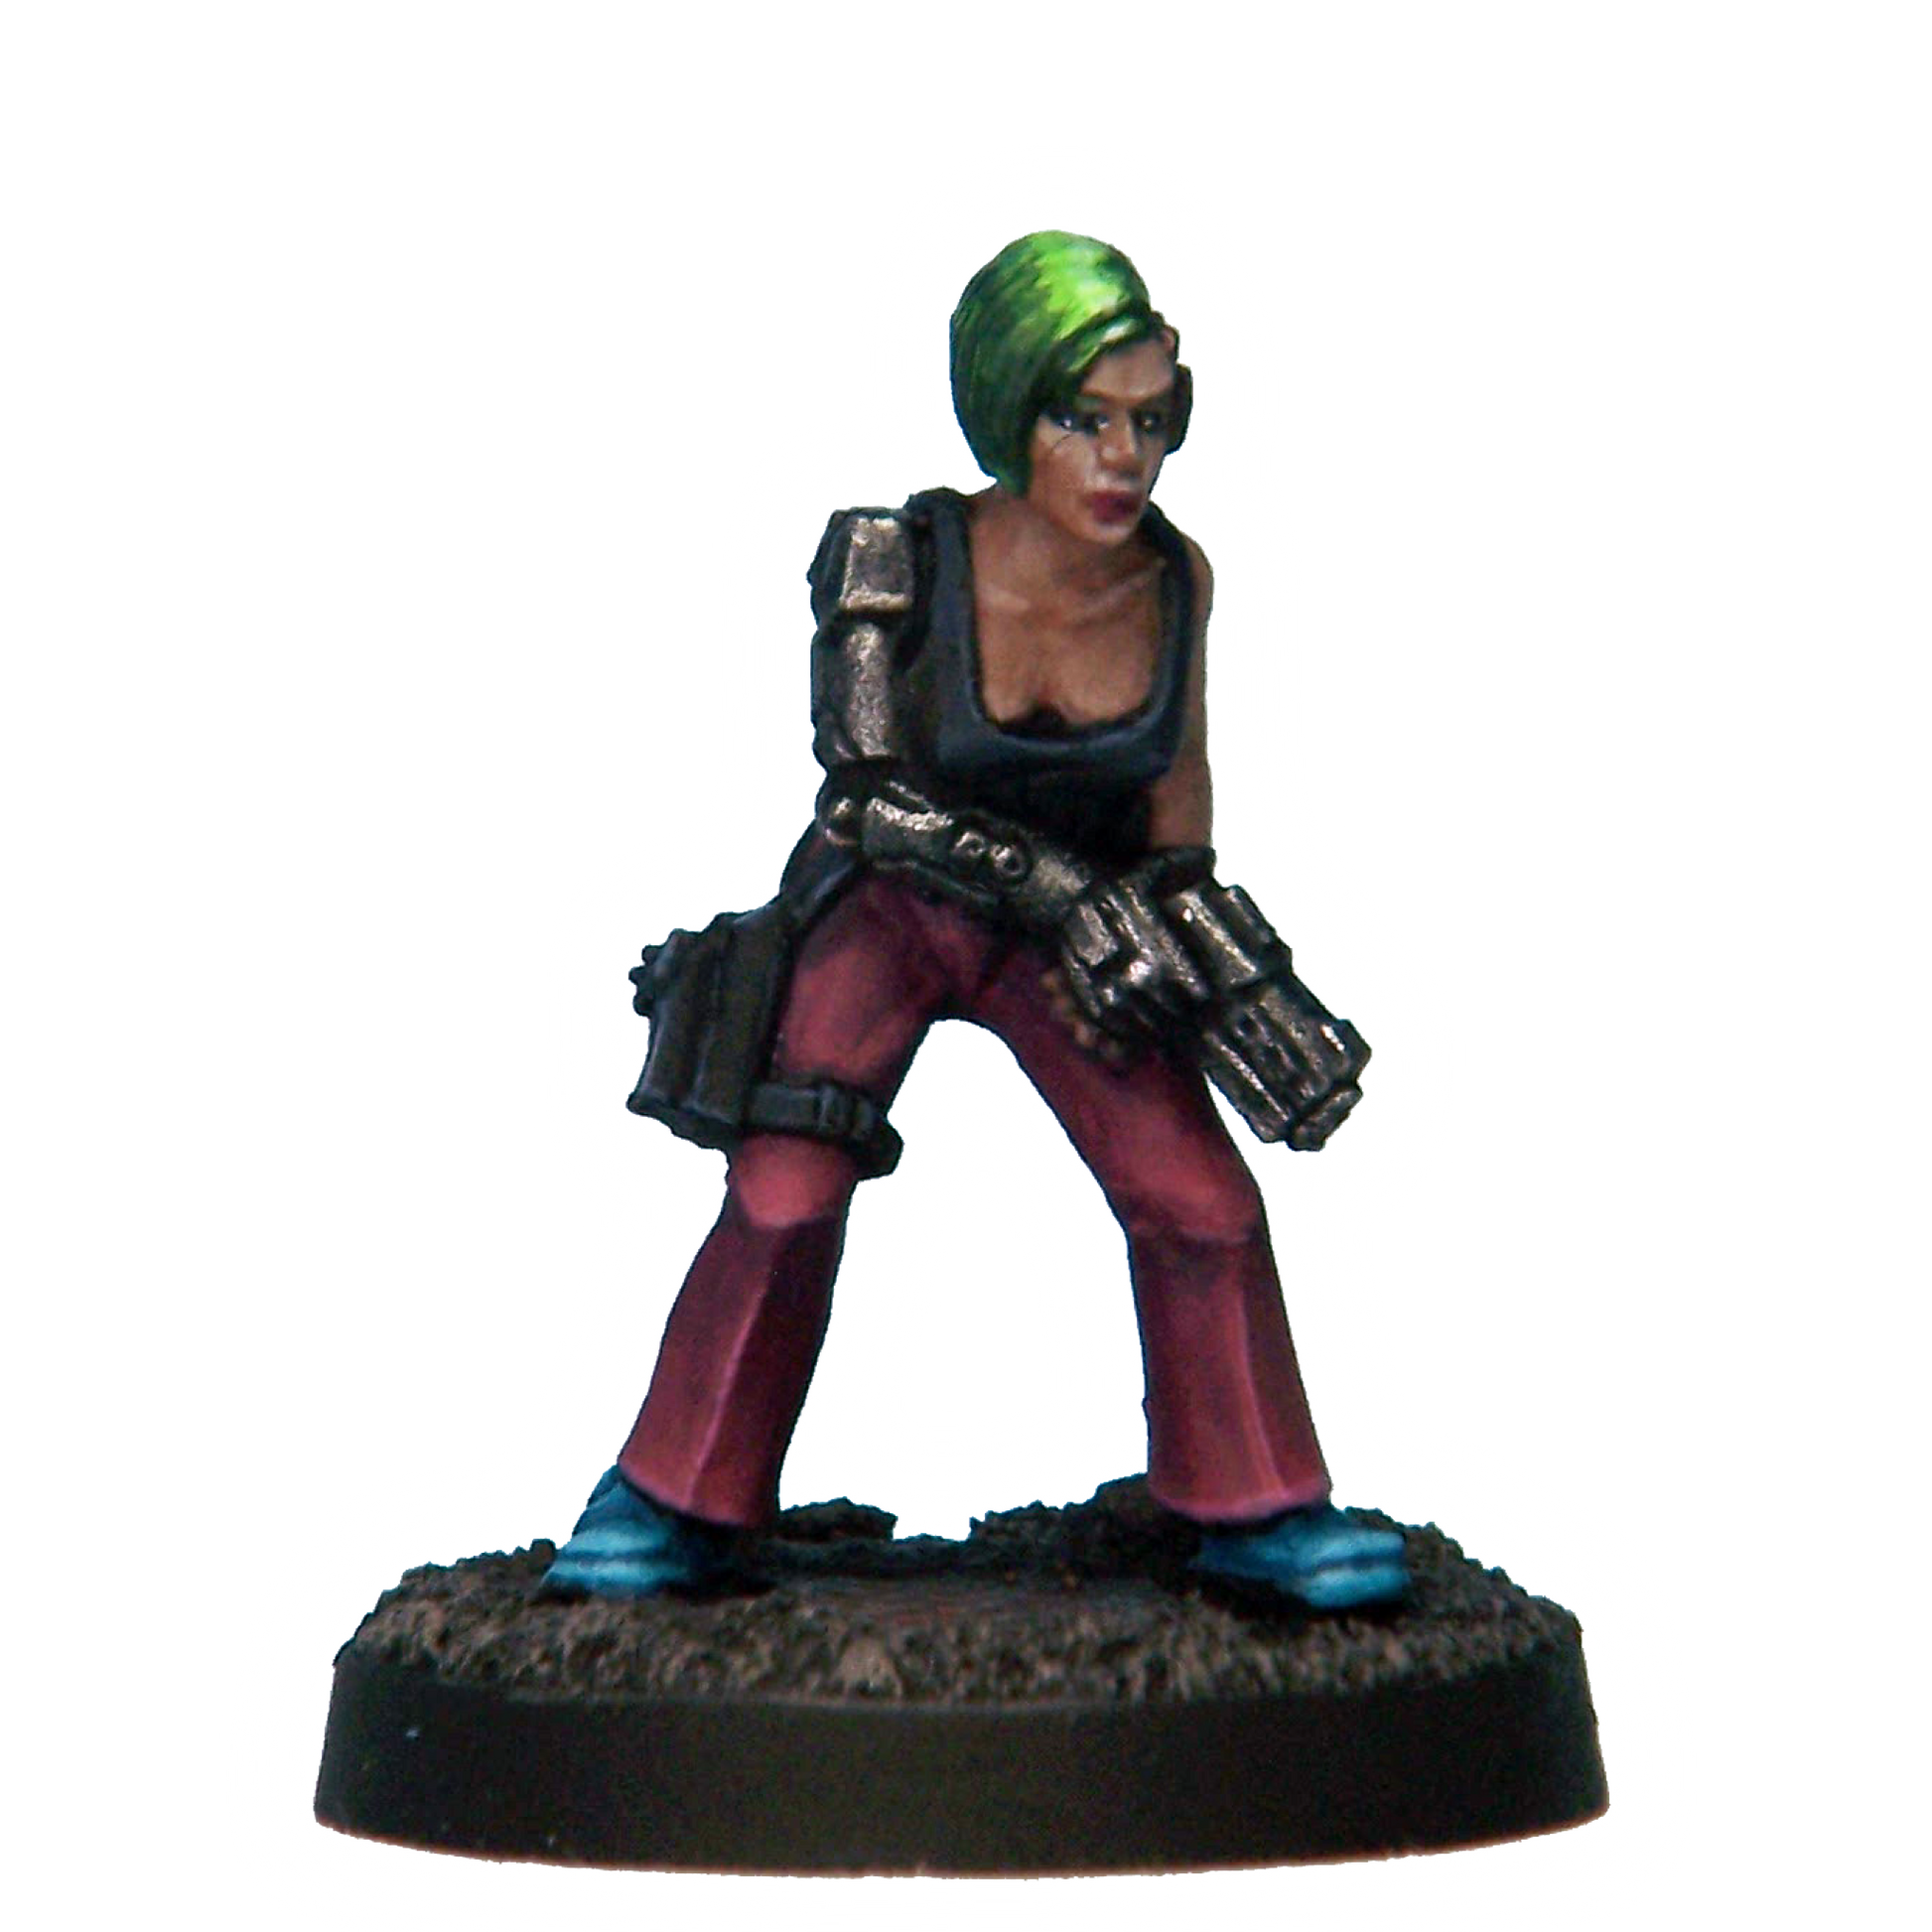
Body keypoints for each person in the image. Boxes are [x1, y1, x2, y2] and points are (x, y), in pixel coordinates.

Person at [543, 232, 1408, 1610]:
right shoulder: (895, 557)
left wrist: (1218, 976)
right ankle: (669, 1495)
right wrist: (1064, 893)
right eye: (1081, 419)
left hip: (1071, 944)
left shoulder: (1175, 581)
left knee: (1200, 1202)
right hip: (887, 909)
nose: (1121, 459)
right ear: (1011, 415)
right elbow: (868, 789)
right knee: (782, 1194)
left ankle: (1255, 1505)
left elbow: (1177, 821)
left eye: (1148, 422)